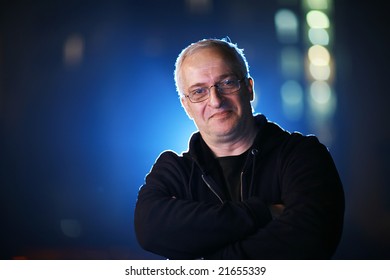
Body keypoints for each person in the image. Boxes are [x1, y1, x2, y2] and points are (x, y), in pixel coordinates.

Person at [134, 37, 345, 259]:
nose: (215, 101)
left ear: (249, 88)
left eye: (227, 83)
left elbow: (310, 240)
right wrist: (263, 213)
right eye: (198, 92)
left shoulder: (302, 155)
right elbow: (149, 231)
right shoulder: (175, 171)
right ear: (186, 106)